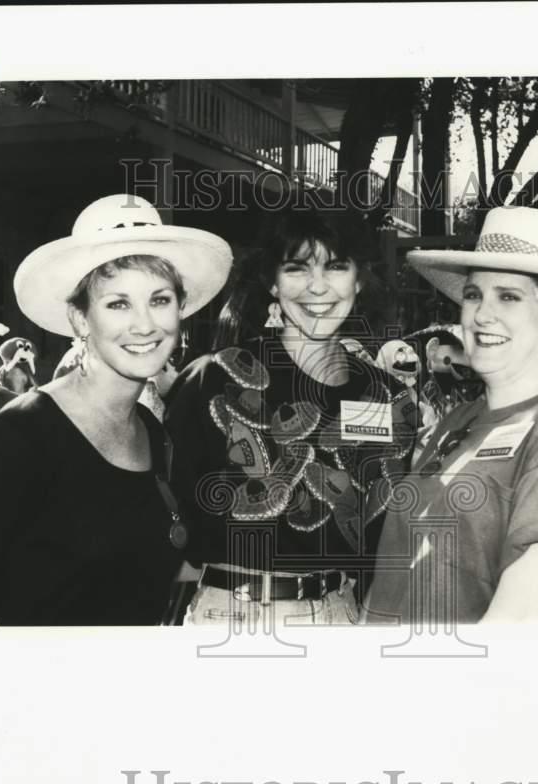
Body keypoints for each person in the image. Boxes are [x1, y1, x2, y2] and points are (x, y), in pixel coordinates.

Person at [0, 194, 232, 625]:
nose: (145, 324)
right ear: (80, 319)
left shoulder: (154, 435)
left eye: (159, 300)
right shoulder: (19, 439)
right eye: (118, 303)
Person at [363, 206, 538, 624]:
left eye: (508, 296)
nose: (481, 314)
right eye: (474, 295)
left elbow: (524, 618)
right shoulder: (458, 422)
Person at [164, 208, 415, 626]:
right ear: (273, 283)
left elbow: (387, 535)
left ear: (359, 279)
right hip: (234, 616)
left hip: (344, 613)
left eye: (336, 266)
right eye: (297, 268)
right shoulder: (215, 378)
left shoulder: (386, 396)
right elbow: (165, 517)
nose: (317, 286)